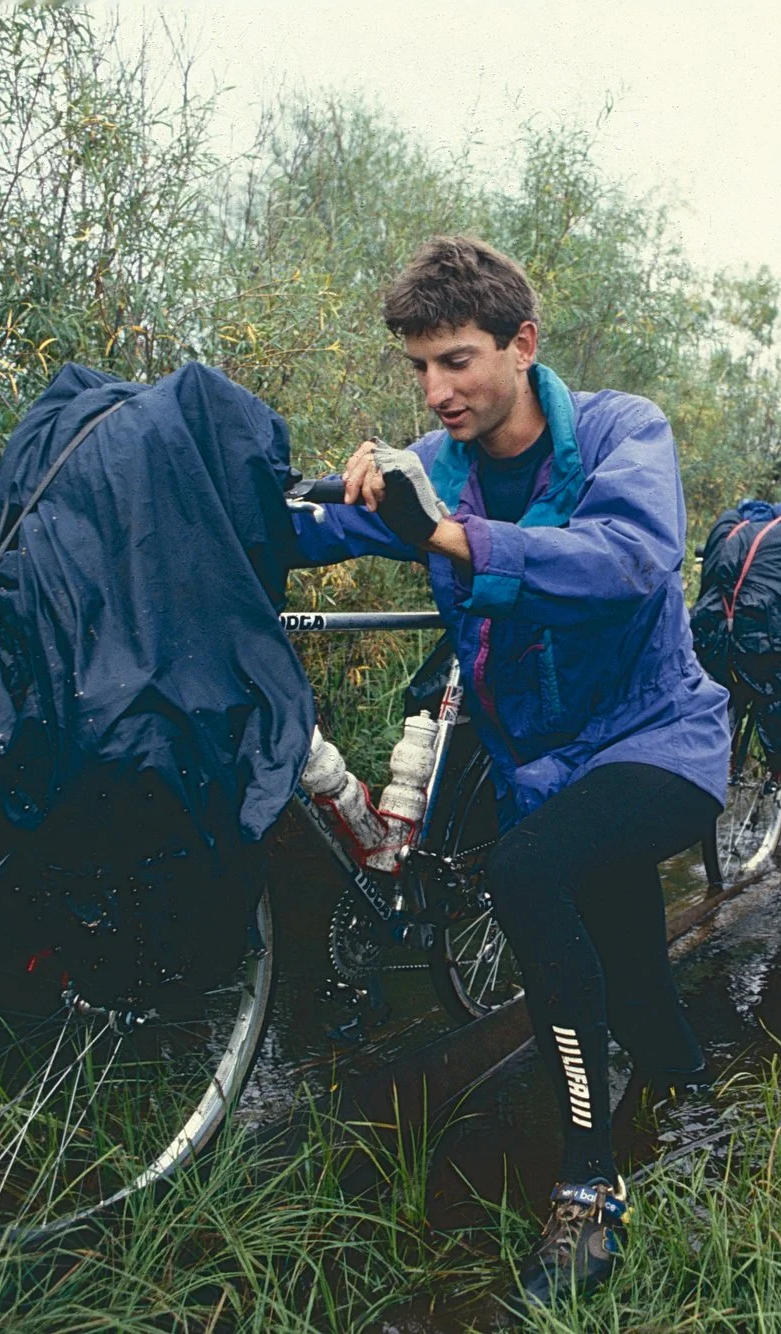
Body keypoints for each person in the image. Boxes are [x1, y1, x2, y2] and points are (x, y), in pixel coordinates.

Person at [286, 236, 730, 1304]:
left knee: (526, 872)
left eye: (457, 361)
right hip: (547, 764)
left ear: (520, 345)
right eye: (418, 369)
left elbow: (628, 558)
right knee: (627, 964)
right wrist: (224, 498)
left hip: (657, 741)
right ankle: (698, 1110)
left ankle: (588, 1186)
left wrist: (445, 534)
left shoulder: (626, 429)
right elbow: (313, 528)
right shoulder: (432, 463)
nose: (436, 391)